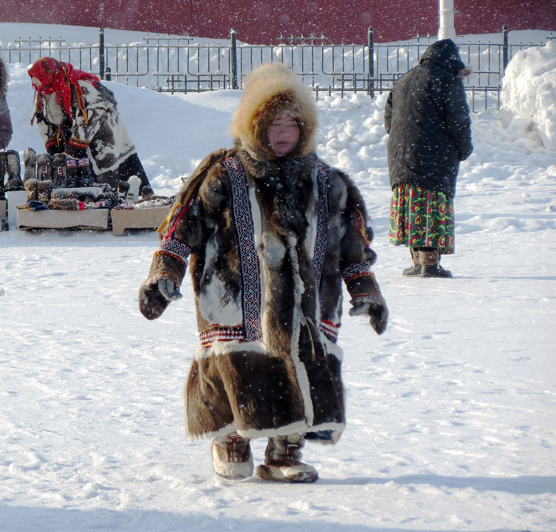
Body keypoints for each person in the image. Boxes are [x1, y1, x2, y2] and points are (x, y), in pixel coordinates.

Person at [138, 63, 388, 483]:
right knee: (240, 367)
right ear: (254, 125)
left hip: (308, 304)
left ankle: (284, 451)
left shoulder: (327, 182)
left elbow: (353, 246)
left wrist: (366, 289)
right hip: (234, 299)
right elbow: (183, 227)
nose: (284, 130)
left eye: (293, 121)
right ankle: (231, 436)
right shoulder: (224, 173)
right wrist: (164, 275)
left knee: (300, 366)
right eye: (273, 121)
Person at [385, 39, 473, 278]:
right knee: (431, 205)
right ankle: (430, 263)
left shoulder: (403, 80)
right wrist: (463, 149)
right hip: (434, 156)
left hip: (401, 156)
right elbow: (458, 121)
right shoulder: (448, 81)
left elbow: (388, 121)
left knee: (412, 206)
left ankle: (417, 262)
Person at [27, 57, 152, 193]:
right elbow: (42, 119)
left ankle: (130, 204)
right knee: (81, 181)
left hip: (103, 138)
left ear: (49, 74)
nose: (34, 82)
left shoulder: (82, 87)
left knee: (115, 180)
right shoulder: (44, 91)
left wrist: (74, 148)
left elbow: (90, 117)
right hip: (72, 140)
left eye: (37, 77)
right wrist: (53, 147)